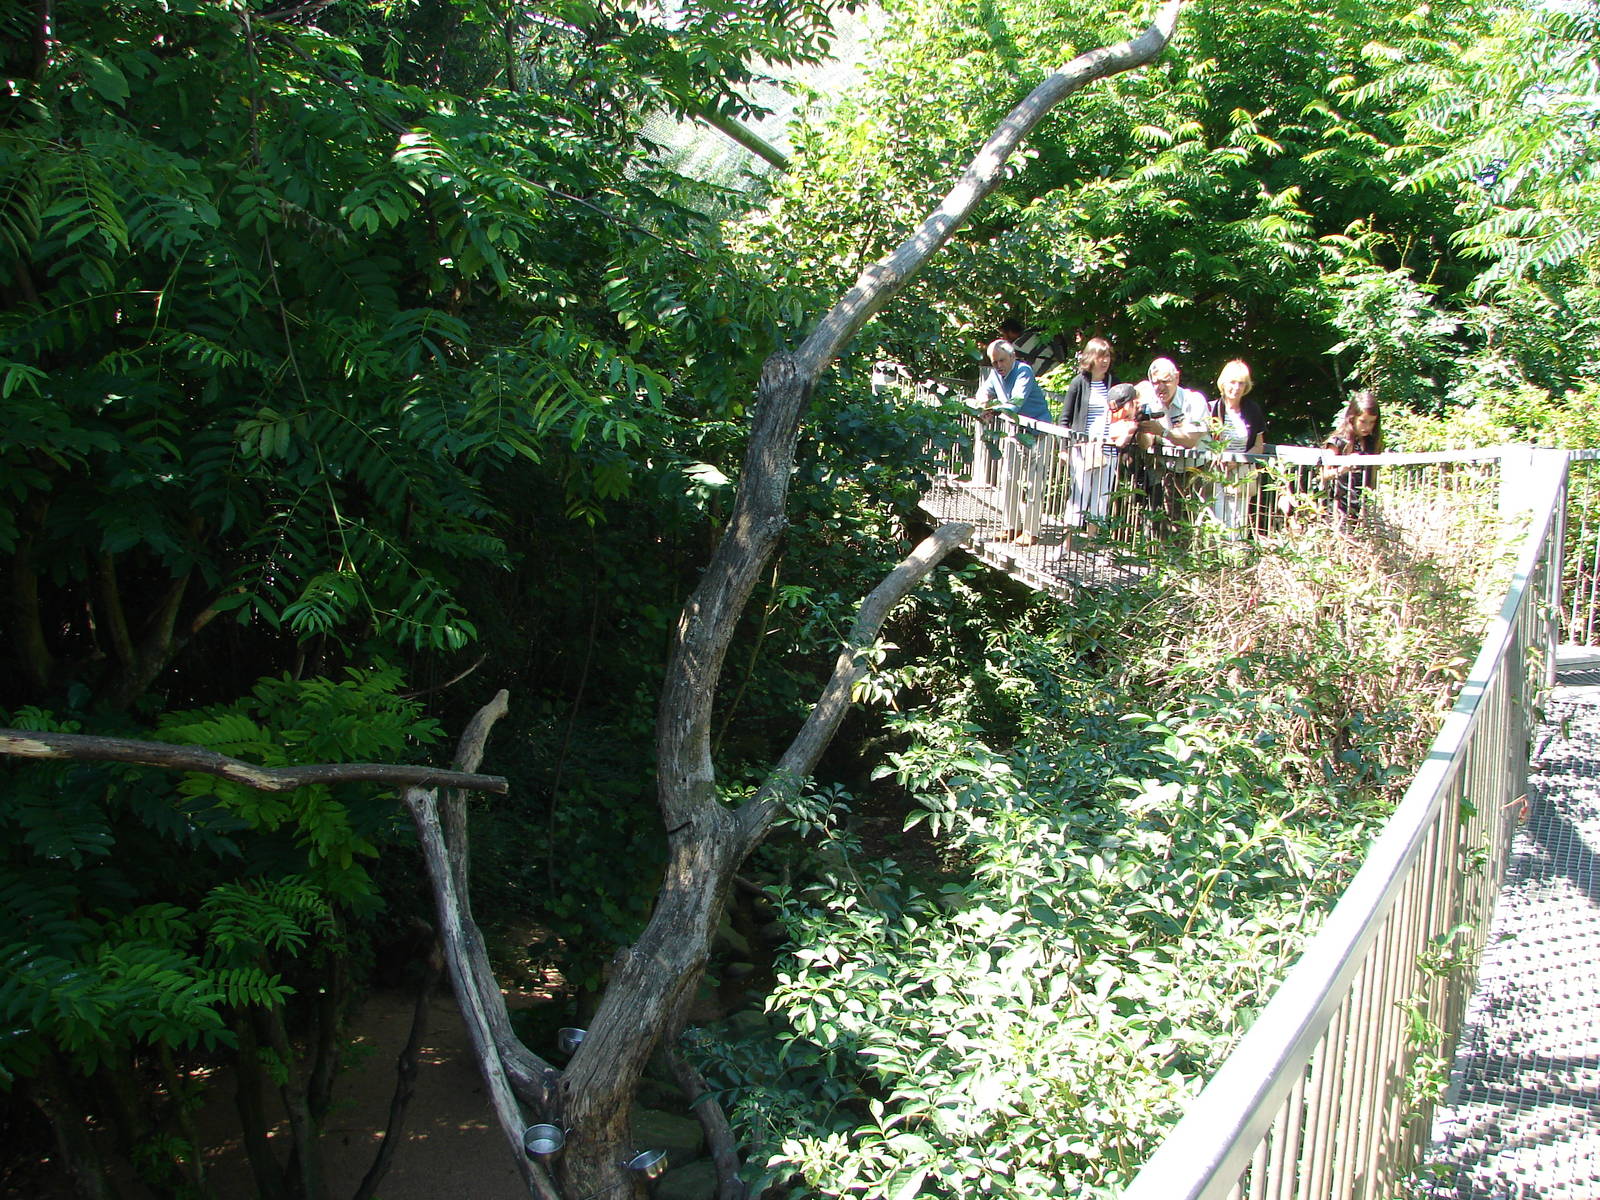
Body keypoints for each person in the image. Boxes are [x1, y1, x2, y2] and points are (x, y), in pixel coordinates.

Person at [1057, 338, 1121, 539]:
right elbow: (1064, 418)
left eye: (1107, 356)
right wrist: (1064, 448)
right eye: (1100, 356)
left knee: (1101, 498)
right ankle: (1066, 543)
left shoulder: (1114, 383)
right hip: (1083, 448)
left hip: (1108, 448)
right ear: (1090, 357)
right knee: (1078, 495)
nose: (1104, 361)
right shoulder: (1079, 382)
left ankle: (1092, 544)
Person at [1208, 360, 1267, 530]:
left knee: (1238, 523)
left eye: (1241, 383)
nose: (1236, 387)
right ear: (1223, 383)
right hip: (1216, 474)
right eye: (1232, 382)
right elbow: (1204, 442)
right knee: (1217, 523)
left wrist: (1238, 461)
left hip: (1242, 474)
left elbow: (1258, 445)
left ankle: (1237, 556)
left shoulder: (1252, 410)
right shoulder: (1212, 409)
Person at [1323, 390, 1382, 523]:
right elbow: (1323, 474)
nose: (1367, 427)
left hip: (1361, 507)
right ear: (1352, 417)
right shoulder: (1338, 441)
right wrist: (1343, 468)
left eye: (1372, 422)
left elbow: (1371, 476)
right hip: (1336, 507)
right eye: (1363, 421)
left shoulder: (1370, 442)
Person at [975, 339, 1052, 422]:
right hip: (1018, 424)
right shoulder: (995, 374)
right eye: (995, 362)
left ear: (1012, 357)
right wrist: (983, 402)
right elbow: (983, 392)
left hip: (1038, 425)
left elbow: (1015, 403)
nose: (999, 366)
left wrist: (991, 411)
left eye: (1002, 360)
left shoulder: (1023, 371)